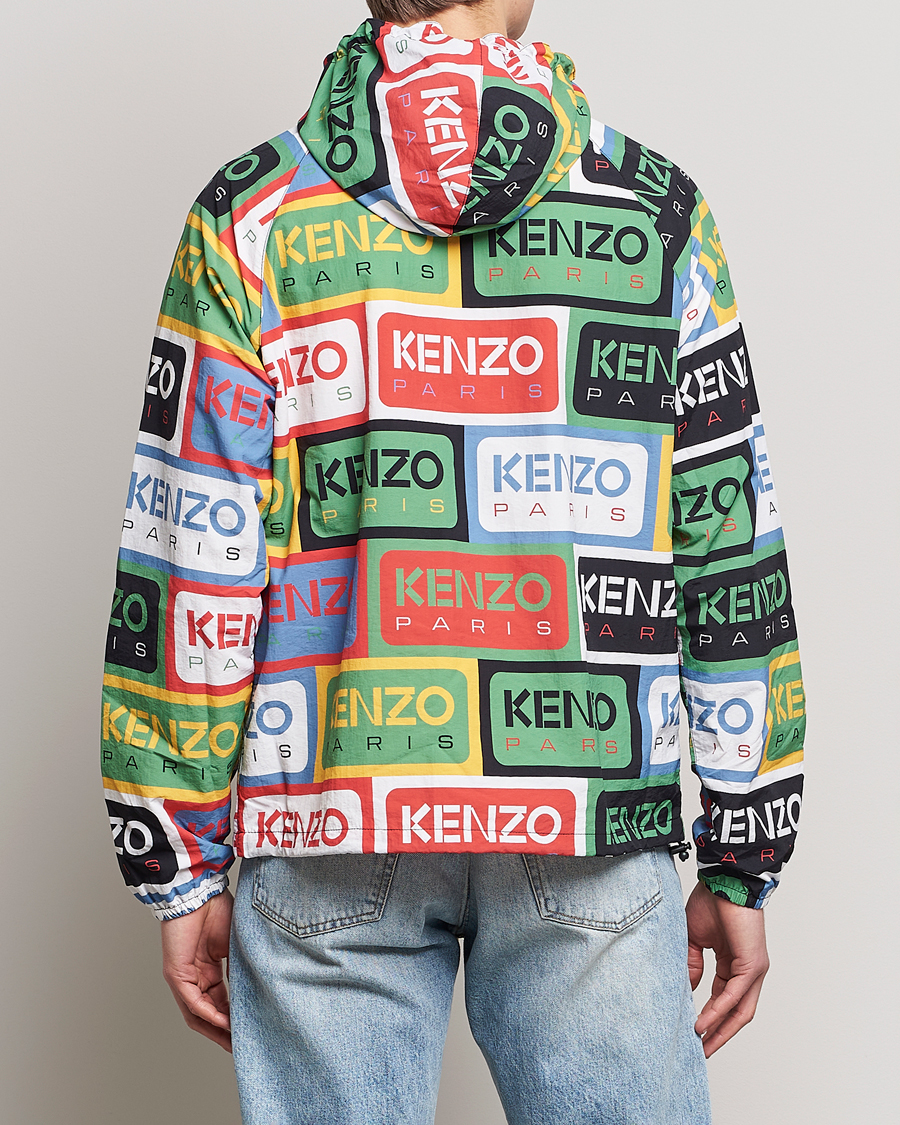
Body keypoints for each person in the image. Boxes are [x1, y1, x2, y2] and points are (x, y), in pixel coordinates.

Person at [102, 1, 806, 1121]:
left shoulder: (250, 216)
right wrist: (742, 845)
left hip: (330, 803)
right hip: (584, 806)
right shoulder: (656, 212)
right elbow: (727, 545)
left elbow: (193, 549)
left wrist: (175, 858)